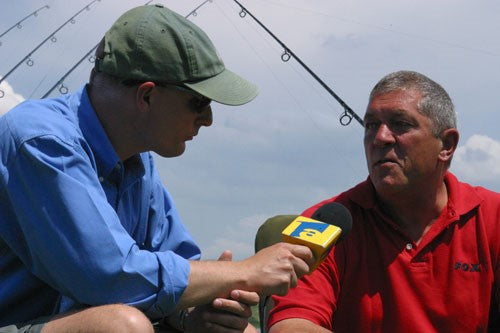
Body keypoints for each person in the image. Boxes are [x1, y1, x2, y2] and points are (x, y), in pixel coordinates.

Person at [0, 4, 314, 333]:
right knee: (122, 328)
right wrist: (245, 272)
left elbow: (175, 261)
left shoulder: (139, 158)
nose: (208, 120)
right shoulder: (41, 142)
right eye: (199, 102)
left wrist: (195, 313)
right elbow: (109, 278)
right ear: (147, 96)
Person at [267, 70, 500, 332]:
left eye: (400, 124)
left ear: (447, 145)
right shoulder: (324, 222)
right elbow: (292, 326)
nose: (380, 138)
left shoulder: (492, 216)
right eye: (371, 125)